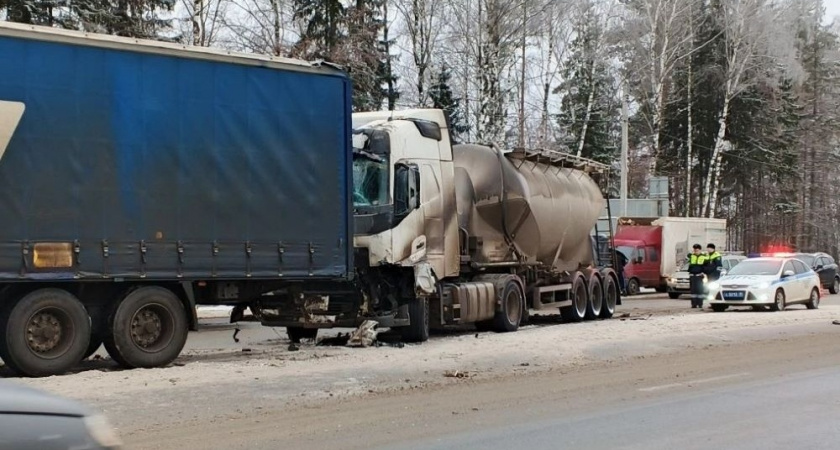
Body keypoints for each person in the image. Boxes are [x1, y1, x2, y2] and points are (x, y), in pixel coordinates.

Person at [687, 244, 707, 309]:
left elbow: (706, 266)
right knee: (693, 291)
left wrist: (704, 273)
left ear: (700, 250)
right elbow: (686, 257)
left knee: (700, 290)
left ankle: (700, 304)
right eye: (694, 249)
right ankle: (694, 304)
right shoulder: (691, 256)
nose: (695, 251)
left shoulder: (704, 257)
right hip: (692, 276)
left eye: (697, 250)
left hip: (699, 276)